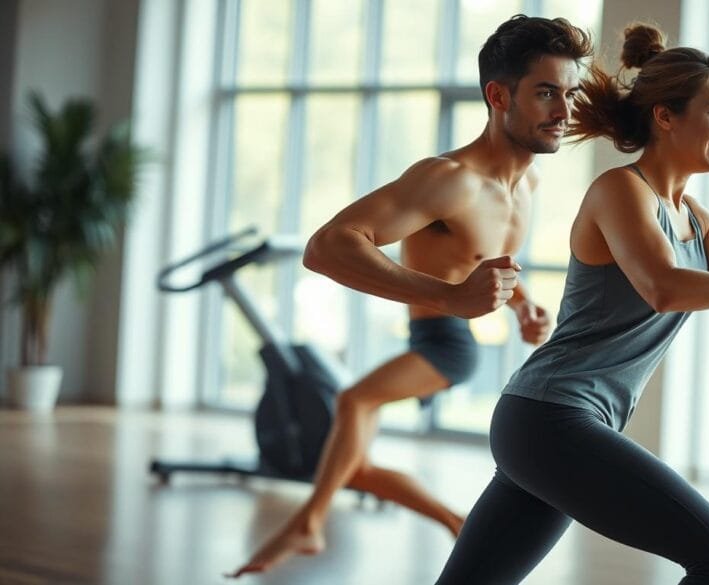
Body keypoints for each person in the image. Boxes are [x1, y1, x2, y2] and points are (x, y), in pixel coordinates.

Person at [434, 23, 709, 585]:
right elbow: (665, 287)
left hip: (553, 424)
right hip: (552, 417)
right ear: (665, 116)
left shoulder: (696, 219)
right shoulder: (620, 190)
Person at [228, 15, 594, 578]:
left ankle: (311, 522)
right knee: (352, 458)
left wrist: (522, 305)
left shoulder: (527, 184)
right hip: (440, 332)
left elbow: (487, 259)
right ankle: (440, 521)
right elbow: (326, 248)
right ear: (499, 96)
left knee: (352, 408)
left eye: (571, 93)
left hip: (450, 344)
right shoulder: (450, 179)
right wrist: (450, 297)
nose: (565, 111)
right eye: (547, 92)